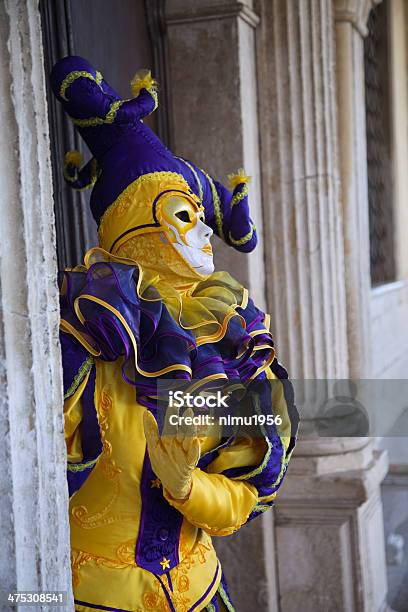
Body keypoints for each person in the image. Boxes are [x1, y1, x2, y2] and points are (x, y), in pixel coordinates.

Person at [51, 56, 298, 612]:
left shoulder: (228, 340)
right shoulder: (82, 336)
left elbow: (245, 496)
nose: (206, 231)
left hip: (198, 593)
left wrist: (187, 486)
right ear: (137, 224)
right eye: (185, 215)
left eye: (202, 215)